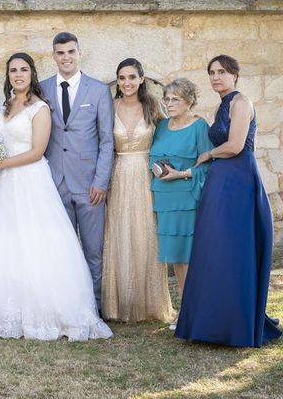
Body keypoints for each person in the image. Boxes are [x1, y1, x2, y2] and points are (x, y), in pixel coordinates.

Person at [0, 52, 112, 341]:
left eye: (24, 69)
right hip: (2, 186)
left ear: (32, 74)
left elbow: (36, 151)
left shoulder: (40, 108)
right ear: (8, 76)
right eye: (13, 70)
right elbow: (0, 141)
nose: (18, 75)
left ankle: (47, 310)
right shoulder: (3, 106)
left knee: (36, 244)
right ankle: (3, 310)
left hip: (30, 182)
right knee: (2, 245)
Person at [176, 55, 282, 347]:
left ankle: (232, 324)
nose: (216, 77)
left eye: (222, 72)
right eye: (211, 72)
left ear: (235, 75)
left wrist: (208, 154)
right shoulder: (222, 105)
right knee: (214, 248)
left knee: (233, 249)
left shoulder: (241, 103)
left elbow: (235, 146)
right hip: (220, 180)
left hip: (238, 181)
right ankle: (209, 322)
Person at [39, 32, 114, 309]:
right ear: (54, 56)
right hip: (55, 182)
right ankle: (67, 306)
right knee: (62, 252)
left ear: (80, 53)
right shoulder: (42, 88)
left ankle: (93, 308)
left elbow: (107, 140)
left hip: (89, 185)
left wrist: (101, 181)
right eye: (60, 53)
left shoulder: (98, 90)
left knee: (93, 251)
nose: (66, 57)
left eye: (71, 52)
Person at [102, 58, 175, 324]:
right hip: (119, 173)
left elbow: (169, 136)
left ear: (141, 79)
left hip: (146, 174)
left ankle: (149, 303)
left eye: (132, 77)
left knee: (146, 232)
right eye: (122, 78)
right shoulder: (109, 106)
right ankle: (120, 304)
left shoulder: (152, 105)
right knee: (120, 232)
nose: (127, 83)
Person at [149, 78, 213, 329]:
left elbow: (207, 164)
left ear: (189, 101)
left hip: (186, 197)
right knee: (175, 255)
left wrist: (182, 174)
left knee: (188, 255)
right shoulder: (162, 126)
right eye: (166, 98)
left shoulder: (199, 126)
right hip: (164, 198)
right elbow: (153, 155)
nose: (169, 103)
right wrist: (158, 169)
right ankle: (185, 309)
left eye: (175, 99)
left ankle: (194, 310)